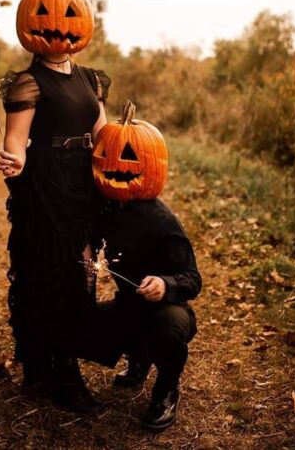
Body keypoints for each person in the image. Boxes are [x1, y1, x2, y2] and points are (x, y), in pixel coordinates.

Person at [0, 52, 111, 413]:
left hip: (83, 183)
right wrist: (14, 161)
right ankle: (58, 371)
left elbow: (103, 136)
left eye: (69, 22)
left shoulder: (91, 79)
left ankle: (57, 358)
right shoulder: (28, 83)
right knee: (48, 274)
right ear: (32, 28)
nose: (59, 31)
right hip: (46, 184)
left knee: (84, 273)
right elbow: (16, 140)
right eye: (48, 21)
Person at [83, 106, 202, 431]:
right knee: (79, 322)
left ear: (151, 164)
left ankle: (166, 390)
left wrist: (165, 284)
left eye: (130, 155)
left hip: (167, 310)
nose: (119, 164)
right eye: (108, 153)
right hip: (129, 305)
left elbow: (192, 280)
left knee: (166, 329)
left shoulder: (162, 222)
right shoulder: (105, 207)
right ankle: (138, 357)